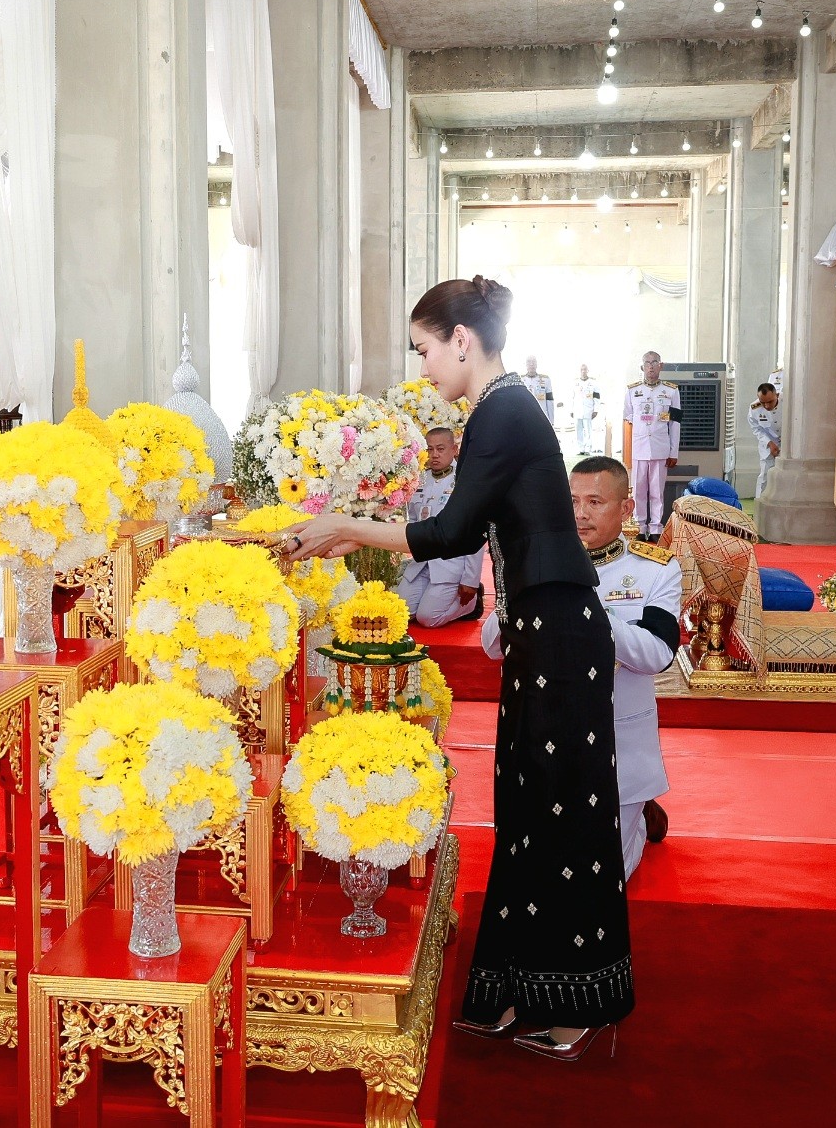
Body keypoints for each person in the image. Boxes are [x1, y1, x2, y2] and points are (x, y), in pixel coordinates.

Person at [289, 276, 632, 1061]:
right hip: (543, 627)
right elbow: (462, 530)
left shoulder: (502, 412)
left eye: (424, 349)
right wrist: (352, 530)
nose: (422, 368)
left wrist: (348, 525)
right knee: (527, 807)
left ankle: (577, 1001)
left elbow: (450, 533)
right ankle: (518, 989)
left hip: (558, 630)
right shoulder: (499, 411)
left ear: (462, 340)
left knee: (561, 814)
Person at [483, 456, 681, 876]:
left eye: (594, 501)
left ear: (626, 508)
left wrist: (586, 613)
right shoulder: (538, 560)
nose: (580, 513)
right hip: (545, 738)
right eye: (572, 500)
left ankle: (637, 813)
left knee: (607, 875)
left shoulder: (653, 570)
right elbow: (492, 644)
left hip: (617, 745)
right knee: (539, 869)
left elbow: (658, 653)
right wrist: (528, 584)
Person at [396, 427, 485, 626]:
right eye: (430, 449)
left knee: (427, 618)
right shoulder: (419, 479)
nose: (434, 454)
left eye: (440, 449)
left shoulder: (465, 482)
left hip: (451, 564)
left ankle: (472, 604)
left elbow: (476, 533)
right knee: (402, 613)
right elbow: (413, 521)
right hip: (422, 562)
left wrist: (470, 579)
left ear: (454, 449)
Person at [622, 351, 680, 539]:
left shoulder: (671, 391)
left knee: (657, 491)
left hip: (660, 447)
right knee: (638, 490)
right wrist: (627, 453)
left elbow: (675, 423)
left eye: (655, 362)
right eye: (647, 363)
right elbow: (628, 420)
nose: (651, 366)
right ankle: (640, 527)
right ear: (642, 367)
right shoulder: (632, 391)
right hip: (639, 448)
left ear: (660, 365)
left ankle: (655, 528)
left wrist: (673, 452)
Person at [749, 383, 782, 498]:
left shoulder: (788, 401)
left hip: (788, 443)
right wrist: (769, 443)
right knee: (764, 476)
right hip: (767, 443)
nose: (766, 406)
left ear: (777, 395)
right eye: (763, 402)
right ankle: (759, 503)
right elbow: (756, 429)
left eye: (770, 401)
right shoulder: (754, 408)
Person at [571, 364, 602, 455]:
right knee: (578, 430)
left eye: (585, 369)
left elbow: (597, 397)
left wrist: (596, 410)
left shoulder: (593, 383)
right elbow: (571, 397)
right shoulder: (575, 382)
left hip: (588, 409)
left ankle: (588, 448)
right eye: (582, 369)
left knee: (588, 430)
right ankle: (580, 448)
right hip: (577, 409)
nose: (583, 371)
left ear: (588, 371)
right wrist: (571, 410)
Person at [521, 356, 555, 423]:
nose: (531, 364)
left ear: (537, 364)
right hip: (526, 417)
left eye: (533, 361)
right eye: (529, 361)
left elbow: (550, 400)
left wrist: (551, 421)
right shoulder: (520, 380)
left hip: (542, 417)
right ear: (525, 364)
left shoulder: (545, 379)